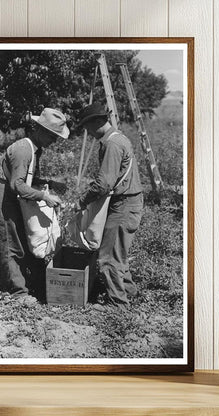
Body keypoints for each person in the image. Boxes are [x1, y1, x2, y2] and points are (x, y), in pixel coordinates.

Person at [0, 108, 69, 302]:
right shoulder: (23, 149)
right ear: (38, 130)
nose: (54, 141)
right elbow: (17, 184)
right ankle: (19, 292)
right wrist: (44, 196)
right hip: (4, 198)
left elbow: (27, 178)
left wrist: (49, 182)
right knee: (11, 245)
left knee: (25, 241)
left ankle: (36, 285)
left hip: (15, 197)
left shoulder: (34, 149)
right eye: (52, 136)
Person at [77, 102, 144, 308]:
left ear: (97, 122)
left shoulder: (111, 144)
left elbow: (104, 183)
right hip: (127, 201)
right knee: (117, 252)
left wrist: (83, 200)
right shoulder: (117, 138)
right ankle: (130, 292)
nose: (87, 132)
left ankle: (118, 304)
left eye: (87, 126)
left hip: (123, 204)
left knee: (108, 257)